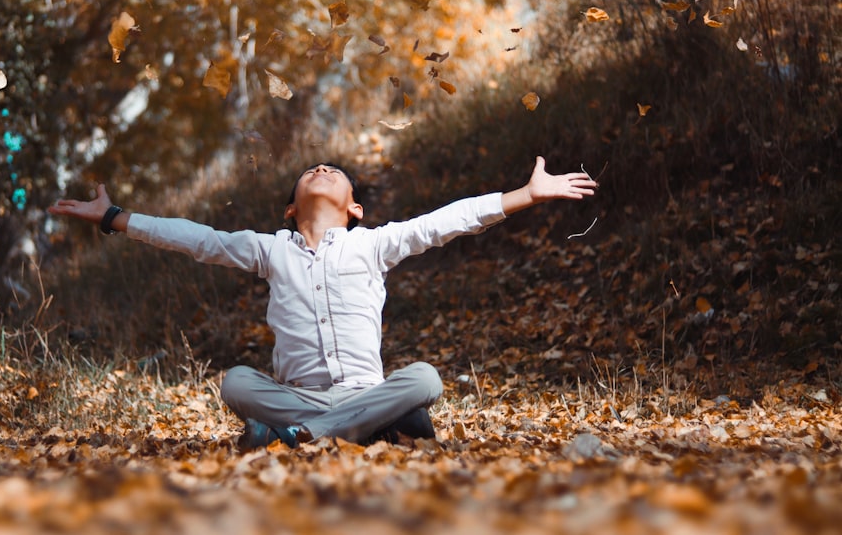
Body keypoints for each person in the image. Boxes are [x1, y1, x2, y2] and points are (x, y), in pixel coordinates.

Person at [48, 156, 597, 450]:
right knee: (236, 381)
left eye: (333, 171)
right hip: (297, 395)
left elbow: (445, 222)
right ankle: (353, 428)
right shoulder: (269, 249)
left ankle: (313, 433)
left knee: (425, 378)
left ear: (354, 206)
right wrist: (116, 218)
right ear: (290, 209)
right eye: (310, 170)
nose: (321, 169)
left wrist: (526, 195)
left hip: (366, 392)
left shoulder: (373, 243)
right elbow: (197, 238)